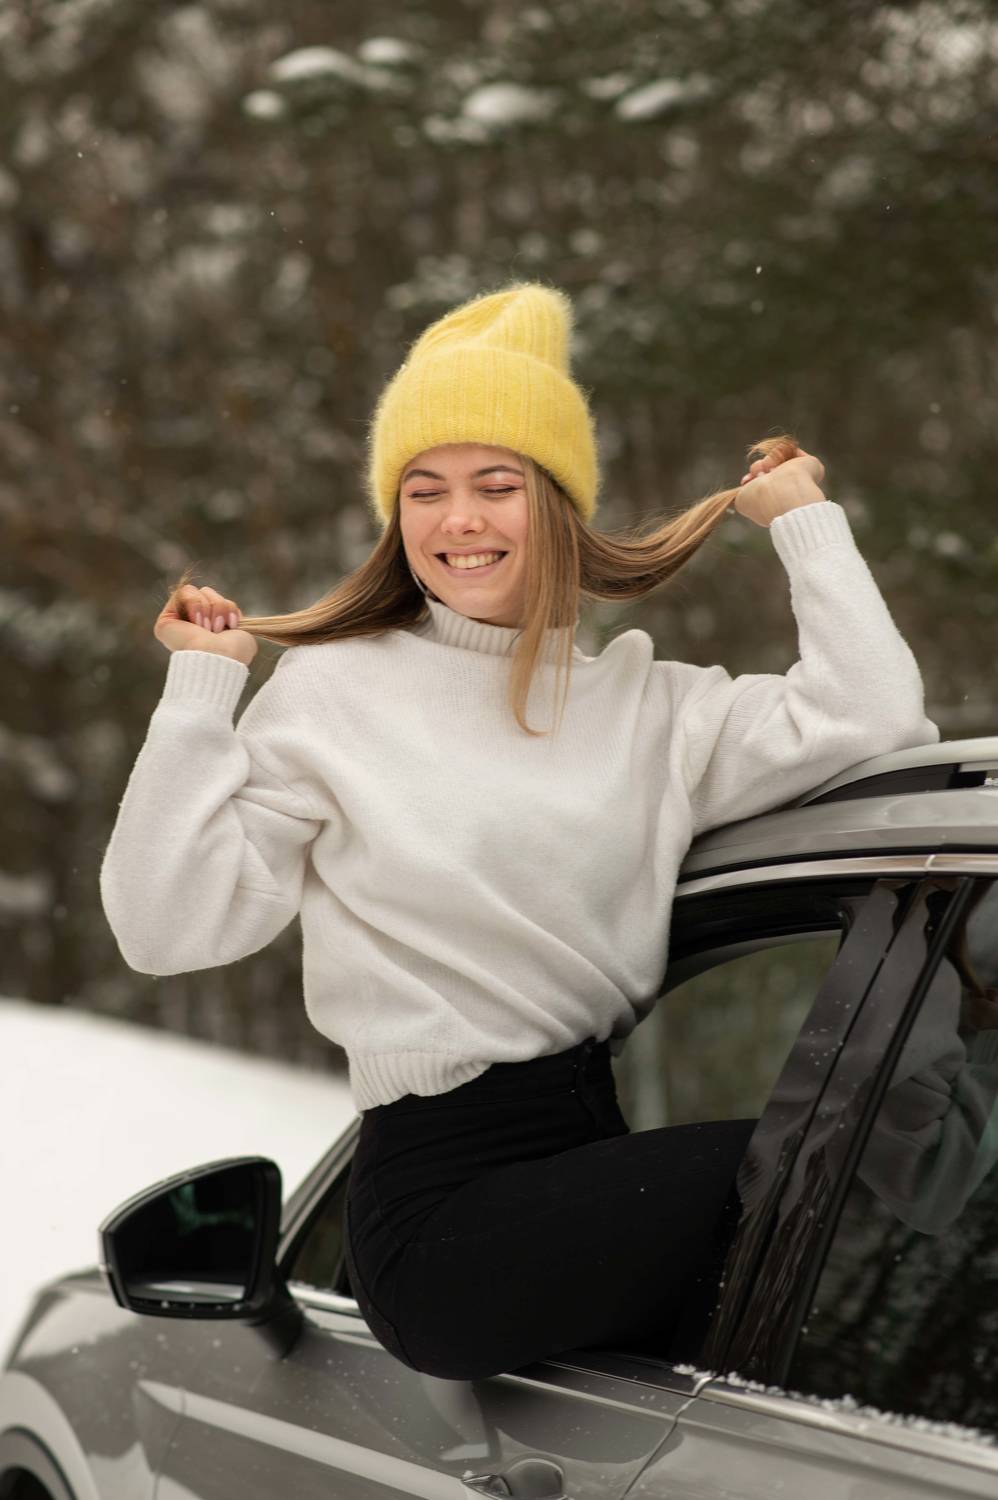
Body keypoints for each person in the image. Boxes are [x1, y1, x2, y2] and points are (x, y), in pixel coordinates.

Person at [99, 281, 940, 1380]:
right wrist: (201, 694)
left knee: (844, 1267)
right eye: (424, 491)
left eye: (496, 486)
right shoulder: (333, 693)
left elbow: (873, 716)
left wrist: (802, 522)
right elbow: (165, 929)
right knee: (825, 1165)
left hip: (587, 1169)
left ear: (557, 506)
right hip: (445, 1213)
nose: (458, 520)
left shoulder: (649, 708)